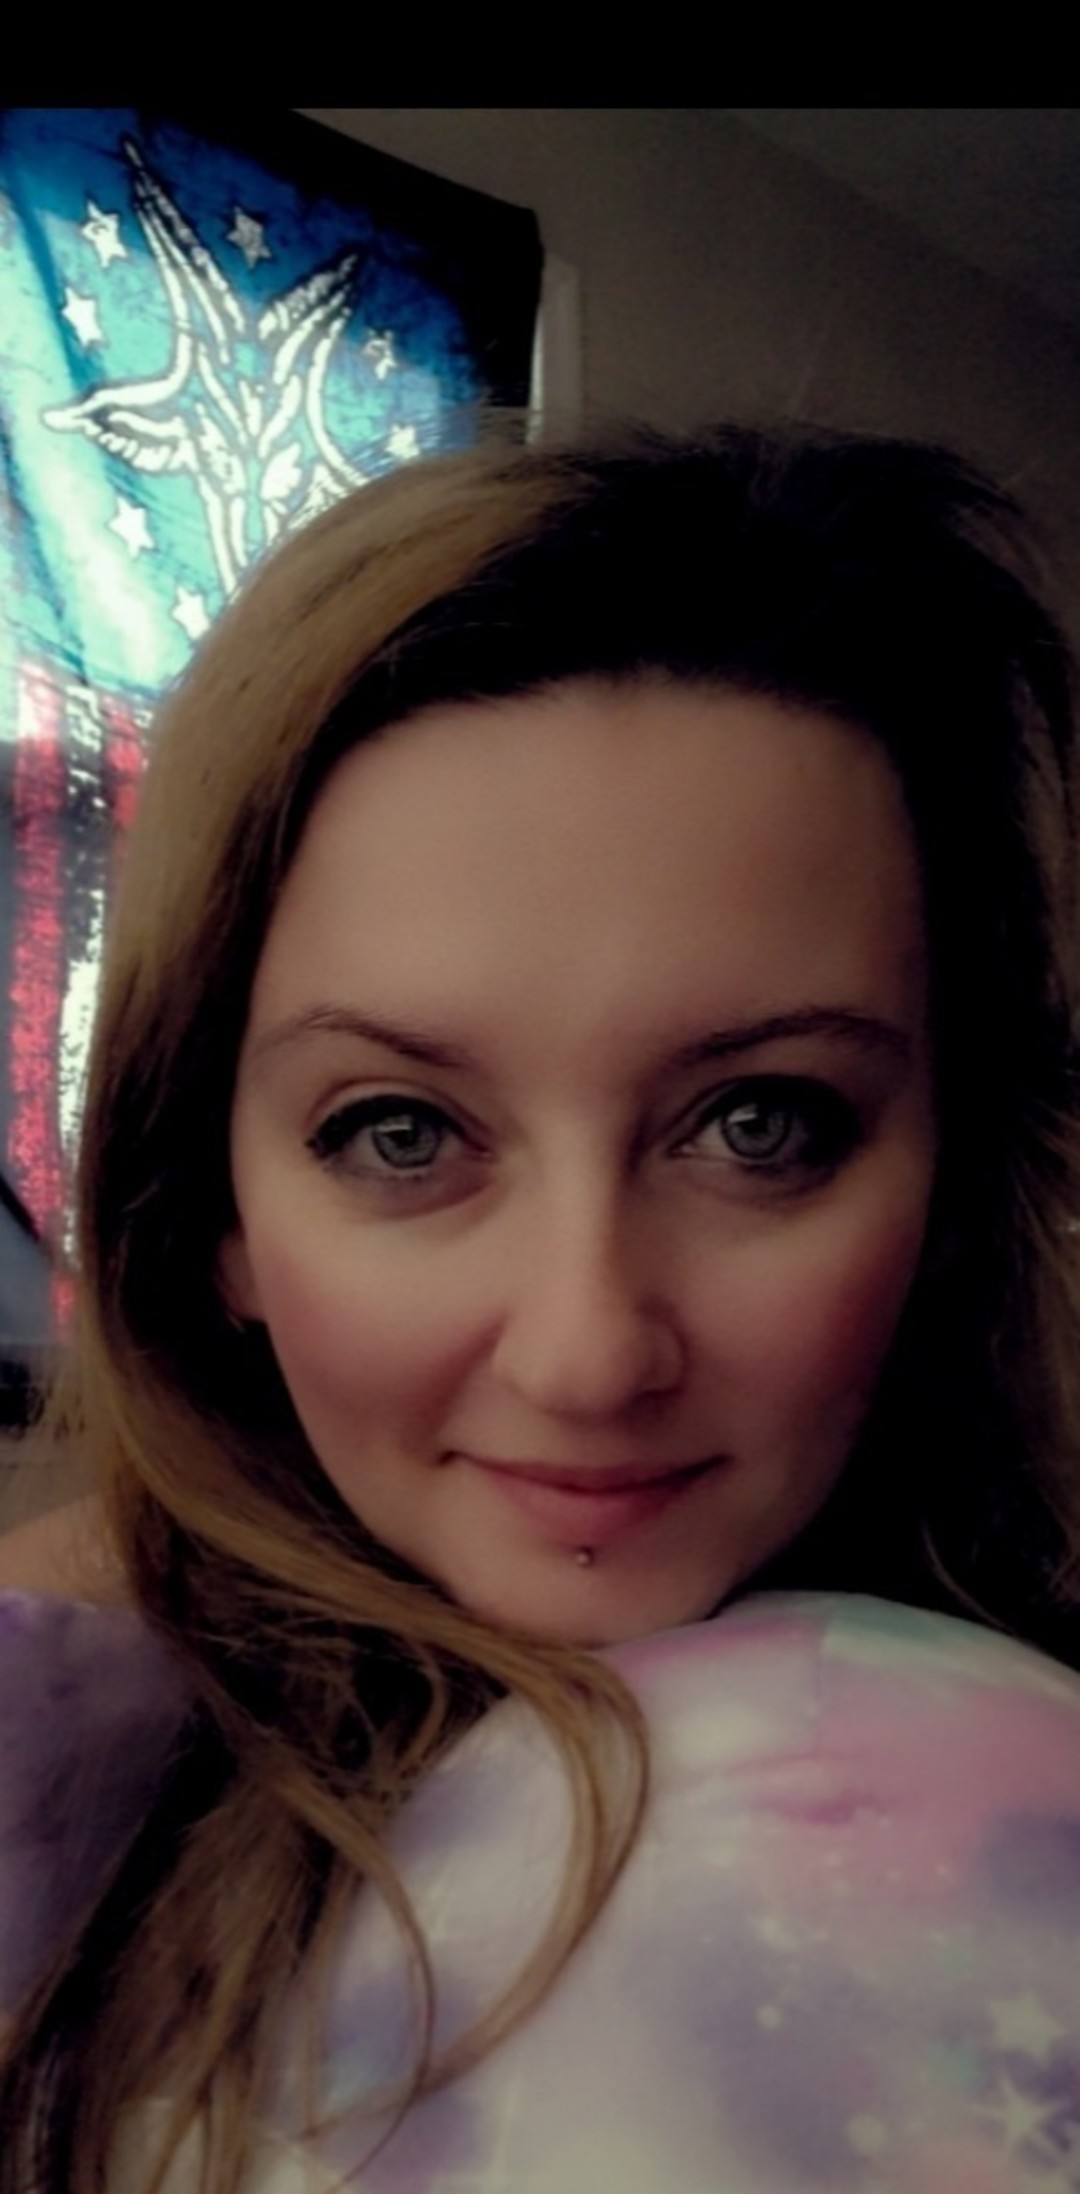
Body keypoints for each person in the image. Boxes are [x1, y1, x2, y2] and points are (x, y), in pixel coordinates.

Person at [3, 421, 1080, 2193]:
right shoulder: (53, 1761)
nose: (588, 1352)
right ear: (215, 1221)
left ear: (956, 1184)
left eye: (762, 1123)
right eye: (400, 1132)